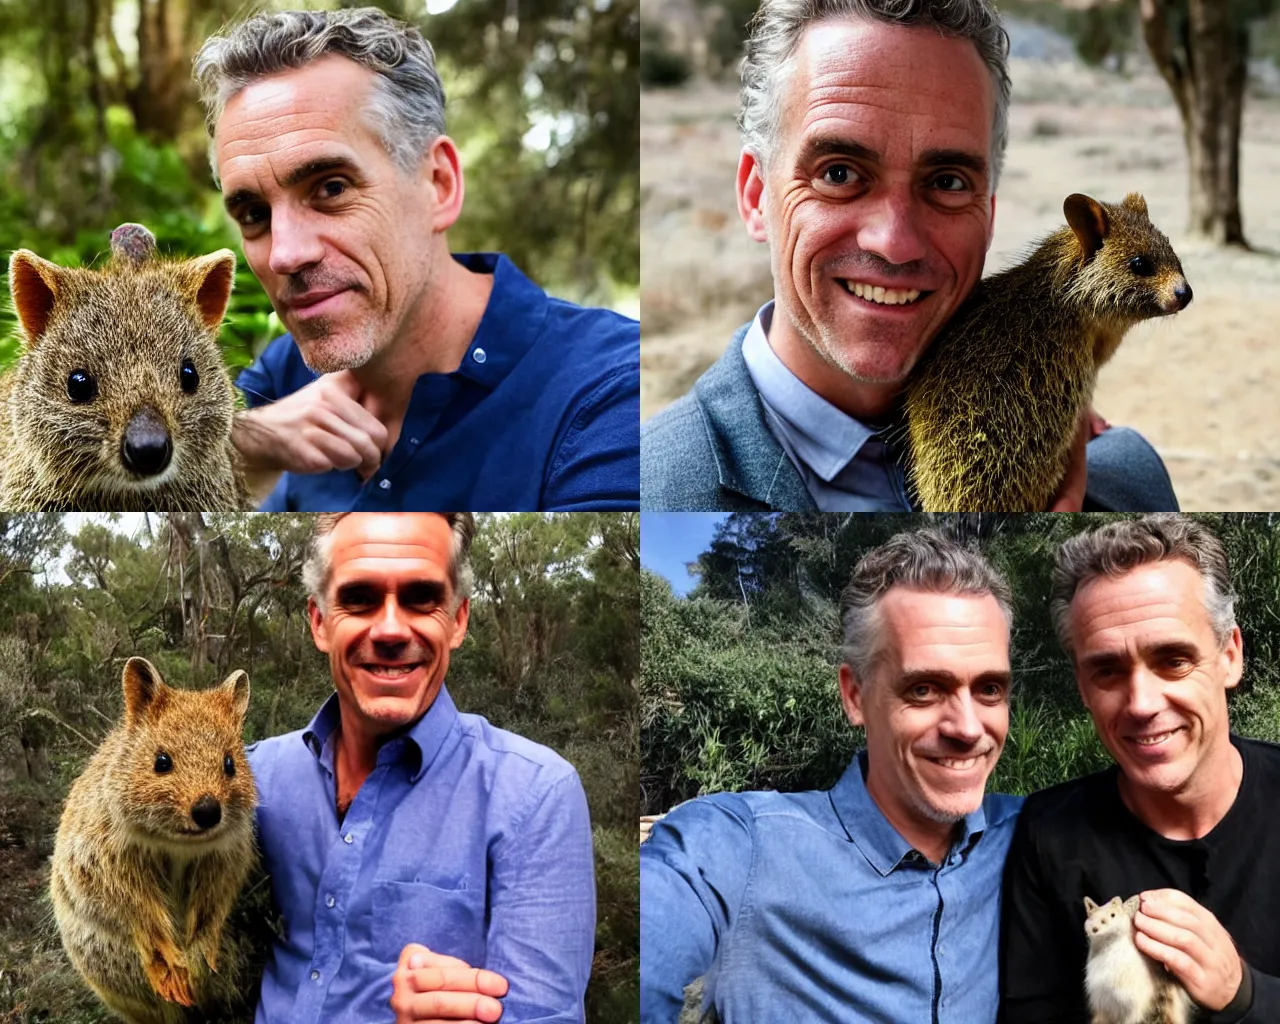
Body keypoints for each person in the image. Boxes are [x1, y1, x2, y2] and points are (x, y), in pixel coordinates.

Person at [639, 0, 1177, 513]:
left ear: (987, 214)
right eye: (839, 174)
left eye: (946, 182)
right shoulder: (655, 488)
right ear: (757, 197)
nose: (895, 241)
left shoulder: (1129, 479)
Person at [193, 9, 639, 512]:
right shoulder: (282, 377)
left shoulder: (608, 391)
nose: (286, 254)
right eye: (255, 213)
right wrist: (252, 439)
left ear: (438, 185)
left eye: (332, 188)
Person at [641, 529, 1023, 1022]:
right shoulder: (745, 846)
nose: (968, 729)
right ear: (855, 696)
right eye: (924, 689)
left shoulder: (1029, 835)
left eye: (990, 688)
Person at [246, 512, 595, 1023]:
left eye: (421, 598)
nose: (390, 629)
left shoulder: (535, 795)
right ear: (319, 622)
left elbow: (547, 1013)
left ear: (457, 620)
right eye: (359, 598)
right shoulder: (256, 778)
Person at [1000, 515, 1278, 1023]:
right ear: (1083, 688)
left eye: (1173, 660)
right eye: (1107, 670)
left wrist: (1246, 994)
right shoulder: (1047, 837)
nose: (1142, 703)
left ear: (1229, 656)